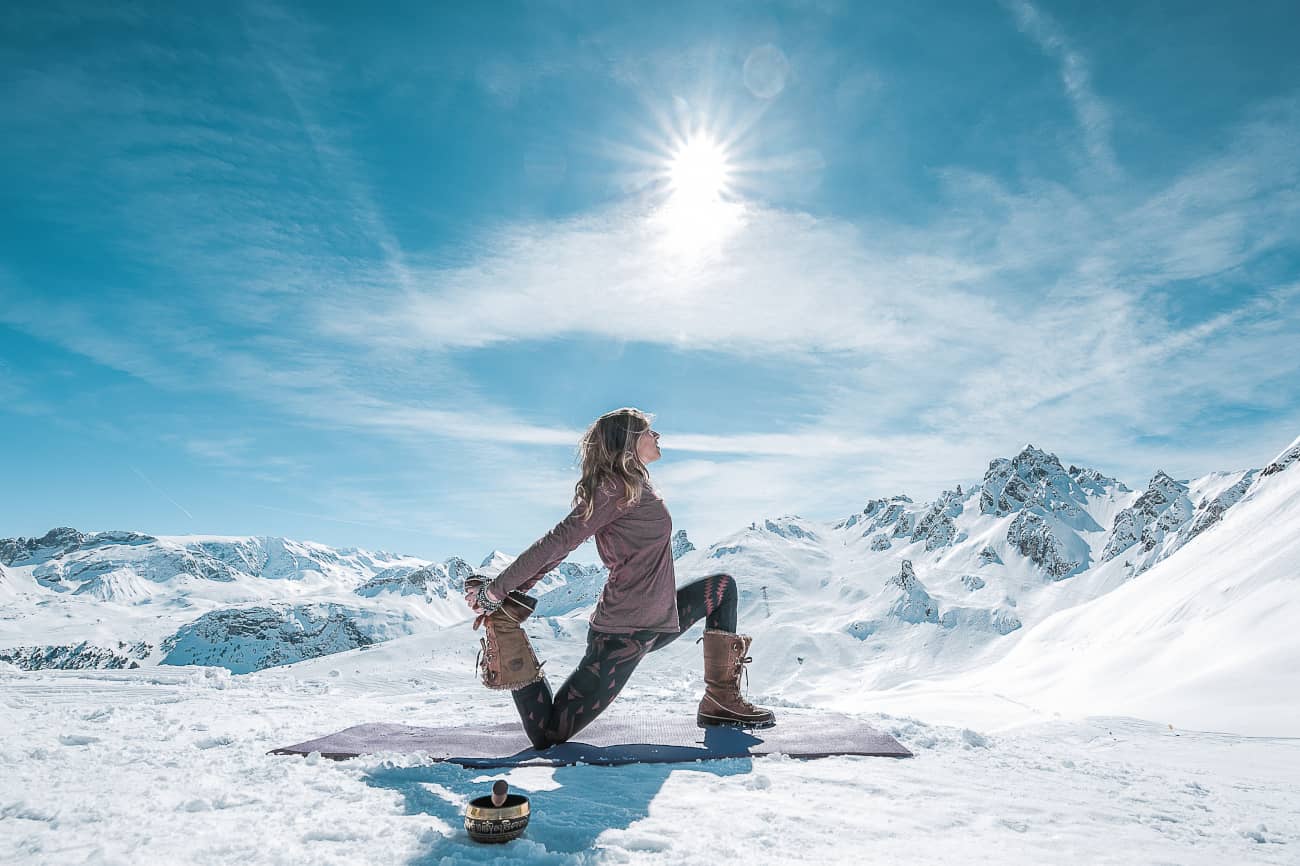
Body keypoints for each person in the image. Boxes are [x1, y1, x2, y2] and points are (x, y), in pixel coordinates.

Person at [463, 407, 776, 750]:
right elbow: (559, 542)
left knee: (722, 589)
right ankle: (507, 632)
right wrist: (498, 592)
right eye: (647, 431)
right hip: (623, 635)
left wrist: (511, 589)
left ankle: (721, 702)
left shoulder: (636, 484)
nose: (656, 436)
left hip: (658, 621)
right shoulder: (612, 488)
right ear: (627, 442)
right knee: (548, 734)